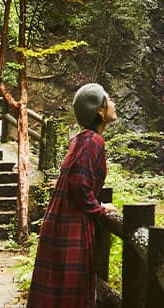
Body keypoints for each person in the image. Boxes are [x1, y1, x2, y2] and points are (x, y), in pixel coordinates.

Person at [27, 83, 119, 308]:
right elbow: (79, 185)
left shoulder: (81, 139)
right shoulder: (92, 141)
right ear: (100, 109)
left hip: (61, 220)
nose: (114, 103)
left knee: (56, 292)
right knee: (72, 292)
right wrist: (99, 209)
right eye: (109, 99)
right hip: (73, 225)